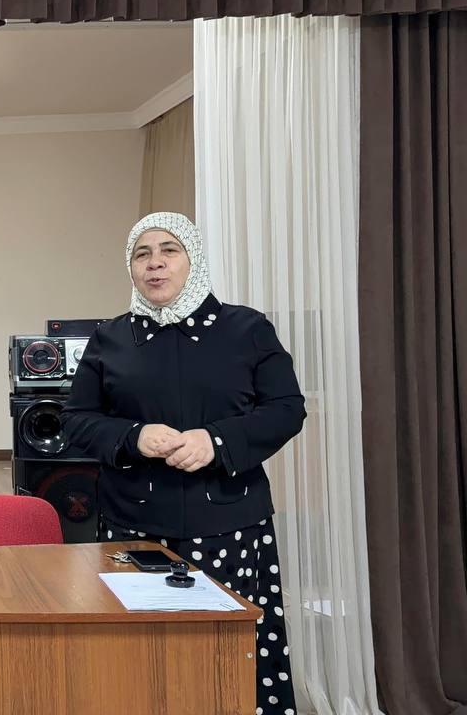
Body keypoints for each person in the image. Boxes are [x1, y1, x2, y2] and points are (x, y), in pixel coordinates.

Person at [61, 212, 305, 715]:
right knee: (137, 654)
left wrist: (217, 441)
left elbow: (286, 409)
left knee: (226, 653)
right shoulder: (110, 338)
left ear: (192, 259)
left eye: (168, 250)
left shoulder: (247, 329)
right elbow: (76, 420)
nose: (155, 263)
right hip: (132, 524)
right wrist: (133, 436)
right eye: (142, 254)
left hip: (228, 525)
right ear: (130, 268)